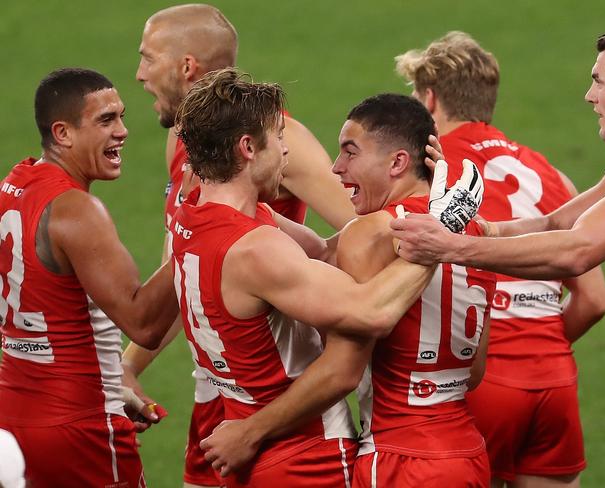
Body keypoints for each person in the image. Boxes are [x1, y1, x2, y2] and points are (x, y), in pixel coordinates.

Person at [389, 22, 605, 488]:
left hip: (482, 380)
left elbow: (578, 250)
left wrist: (454, 246)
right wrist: (481, 228)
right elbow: (557, 223)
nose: (589, 96)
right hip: (557, 377)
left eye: (598, 81)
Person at [195, 91, 491, 487]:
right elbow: (472, 372)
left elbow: (341, 369)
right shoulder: (474, 229)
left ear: (398, 162)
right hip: (467, 453)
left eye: (350, 153)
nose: (336, 168)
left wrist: (249, 431)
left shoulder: (367, 234)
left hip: (397, 458)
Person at [126, 6, 357, 486]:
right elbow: (187, 274)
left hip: (281, 399)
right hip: (220, 390)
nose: (140, 74)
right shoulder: (184, 142)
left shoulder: (280, 138)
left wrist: (350, 327)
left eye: (148, 58)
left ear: (186, 67)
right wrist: (127, 366)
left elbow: (362, 230)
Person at [0, 68, 178, 487]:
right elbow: (144, 324)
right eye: (106, 120)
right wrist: (201, 235)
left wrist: (115, 384)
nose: (123, 131)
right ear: (62, 133)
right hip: (82, 430)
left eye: (121, 116)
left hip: (14, 420)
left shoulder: (13, 185)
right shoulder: (75, 210)